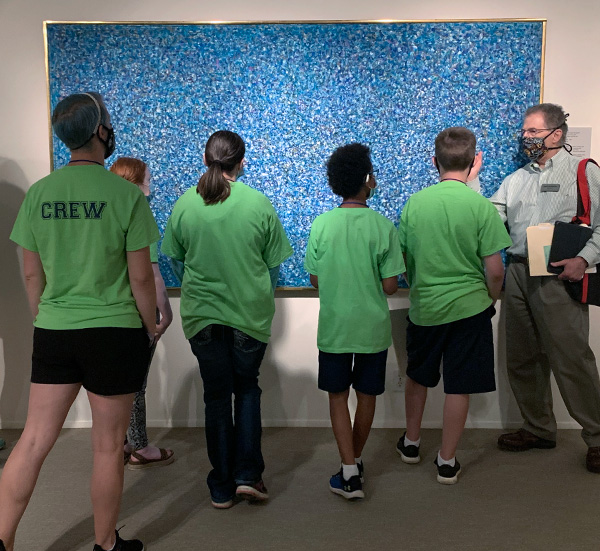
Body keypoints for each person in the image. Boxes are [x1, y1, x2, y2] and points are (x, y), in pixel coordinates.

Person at [0, 92, 158, 551]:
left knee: (31, 442)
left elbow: (32, 272)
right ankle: (106, 544)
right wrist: (148, 327)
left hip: (55, 329)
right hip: (114, 332)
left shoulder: (40, 194)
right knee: (108, 447)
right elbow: (141, 280)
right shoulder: (126, 195)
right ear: (100, 132)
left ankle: (3, 539)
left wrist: (47, 318)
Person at [161, 130, 293, 509]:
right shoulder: (258, 203)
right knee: (247, 389)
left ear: (206, 160)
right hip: (248, 316)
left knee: (216, 396)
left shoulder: (185, 204)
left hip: (202, 317)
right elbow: (273, 265)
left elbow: (174, 260)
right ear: (242, 162)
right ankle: (248, 476)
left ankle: (220, 485)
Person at [397, 127, 511, 484]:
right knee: (458, 385)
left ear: (434, 162)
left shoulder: (415, 203)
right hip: (470, 309)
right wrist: (490, 299)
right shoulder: (481, 206)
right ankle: (447, 460)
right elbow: (495, 270)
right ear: (475, 161)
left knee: (418, 377)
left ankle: (412, 443)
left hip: (426, 307)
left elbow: (403, 258)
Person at [491, 103, 600, 473]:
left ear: (557, 133)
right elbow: (491, 218)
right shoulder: (515, 179)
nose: (527, 138)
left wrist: (583, 260)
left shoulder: (583, 171)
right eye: (525, 132)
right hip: (518, 273)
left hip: (559, 275)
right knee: (521, 356)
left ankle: (598, 437)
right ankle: (538, 428)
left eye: (534, 132)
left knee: (571, 358)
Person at [304, 143, 405, 499]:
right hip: (372, 328)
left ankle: (348, 470)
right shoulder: (383, 226)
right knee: (367, 396)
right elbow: (391, 287)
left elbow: (315, 280)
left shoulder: (322, 225)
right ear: (366, 180)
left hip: (334, 327)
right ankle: (356, 460)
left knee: (336, 396)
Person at [110, 157, 174, 469]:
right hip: (136, 312)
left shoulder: (107, 210)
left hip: (110, 311)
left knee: (117, 381)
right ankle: (140, 446)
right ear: (134, 179)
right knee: (137, 383)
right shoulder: (137, 210)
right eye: (147, 177)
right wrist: (163, 313)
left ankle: (122, 441)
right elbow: (149, 273)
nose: (150, 182)